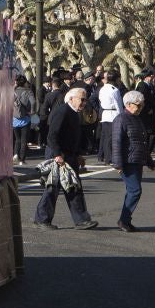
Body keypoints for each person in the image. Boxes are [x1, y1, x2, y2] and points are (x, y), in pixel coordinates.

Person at [33, 87, 99, 230]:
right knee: (53, 188)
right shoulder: (62, 111)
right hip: (58, 154)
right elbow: (52, 135)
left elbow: (74, 137)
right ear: (71, 99)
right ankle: (42, 219)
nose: (84, 102)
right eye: (82, 99)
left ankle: (81, 220)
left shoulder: (75, 113)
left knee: (74, 187)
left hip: (69, 154)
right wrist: (57, 154)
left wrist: (78, 154)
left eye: (85, 99)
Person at [110, 90, 150, 232]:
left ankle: (125, 220)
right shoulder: (121, 119)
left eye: (141, 105)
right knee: (135, 190)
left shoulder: (137, 119)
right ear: (128, 104)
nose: (140, 108)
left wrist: (149, 160)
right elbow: (116, 142)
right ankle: (124, 220)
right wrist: (118, 163)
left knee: (132, 191)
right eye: (137, 105)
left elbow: (142, 141)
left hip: (137, 159)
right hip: (127, 160)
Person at [97, 70, 123, 163]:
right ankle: (112, 157)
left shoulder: (102, 89)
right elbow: (118, 104)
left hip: (105, 114)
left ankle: (107, 157)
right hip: (113, 114)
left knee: (106, 138)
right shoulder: (114, 90)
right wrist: (121, 116)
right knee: (113, 138)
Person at [10, 75, 35, 164]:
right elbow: (33, 102)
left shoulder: (13, 91)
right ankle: (22, 159)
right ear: (25, 82)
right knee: (24, 140)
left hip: (14, 119)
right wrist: (32, 111)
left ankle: (15, 154)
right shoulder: (28, 91)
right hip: (25, 119)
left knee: (17, 139)